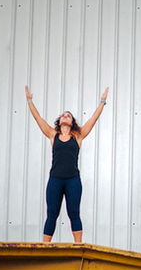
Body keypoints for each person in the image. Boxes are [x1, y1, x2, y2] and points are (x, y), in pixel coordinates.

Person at [25, 85, 109, 242]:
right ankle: (45, 247)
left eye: (68, 116)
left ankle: (78, 247)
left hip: (73, 180)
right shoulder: (52, 134)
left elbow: (93, 119)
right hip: (55, 179)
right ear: (59, 121)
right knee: (52, 213)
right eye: (63, 115)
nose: (65, 116)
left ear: (72, 122)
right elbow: (38, 119)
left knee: (74, 213)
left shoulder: (78, 136)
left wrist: (102, 101)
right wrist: (30, 101)